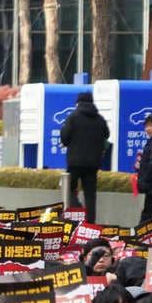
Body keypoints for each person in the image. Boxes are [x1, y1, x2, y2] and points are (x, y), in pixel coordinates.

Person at [60, 91, 110, 220]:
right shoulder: (100, 119)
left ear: (78, 103)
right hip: (93, 163)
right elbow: (107, 134)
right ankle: (90, 223)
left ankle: (77, 211)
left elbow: (65, 138)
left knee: (69, 189)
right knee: (90, 194)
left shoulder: (73, 117)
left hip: (74, 162)